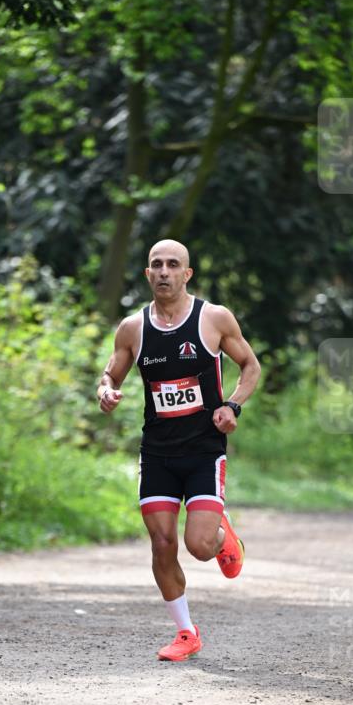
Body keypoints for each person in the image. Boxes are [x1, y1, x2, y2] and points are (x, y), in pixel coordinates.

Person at [97, 238, 261, 661]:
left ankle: (226, 539)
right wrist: (106, 390)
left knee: (198, 546)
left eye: (173, 265)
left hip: (205, 450)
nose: (164, 271)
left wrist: (232, 405)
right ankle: (186, 632)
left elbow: (250, 366)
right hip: (157, 453)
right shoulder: (133, 328)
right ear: (148, 274)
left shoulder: (214, 319)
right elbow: (111, 373)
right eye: (157, 265)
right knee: (162, 543)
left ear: (187, 274)